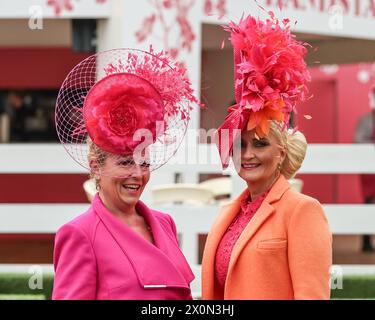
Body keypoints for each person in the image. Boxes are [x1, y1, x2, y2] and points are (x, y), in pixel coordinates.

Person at [201, 14, 332, 300]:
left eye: (260, 144)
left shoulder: (302, 211)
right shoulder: (229, 214)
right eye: (239, 145)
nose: (247, 155)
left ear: (281, 150)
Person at [52, 48, 198, 300]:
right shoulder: (79, 234)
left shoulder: (164, 224)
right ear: (95, 166)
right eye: (125, 163)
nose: (138, 174)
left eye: (145, 164)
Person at [354, 88, 375, 252]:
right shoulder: (367, 120)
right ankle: (366, 241)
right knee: (369, 202)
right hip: (370, 170)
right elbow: (358, 141)